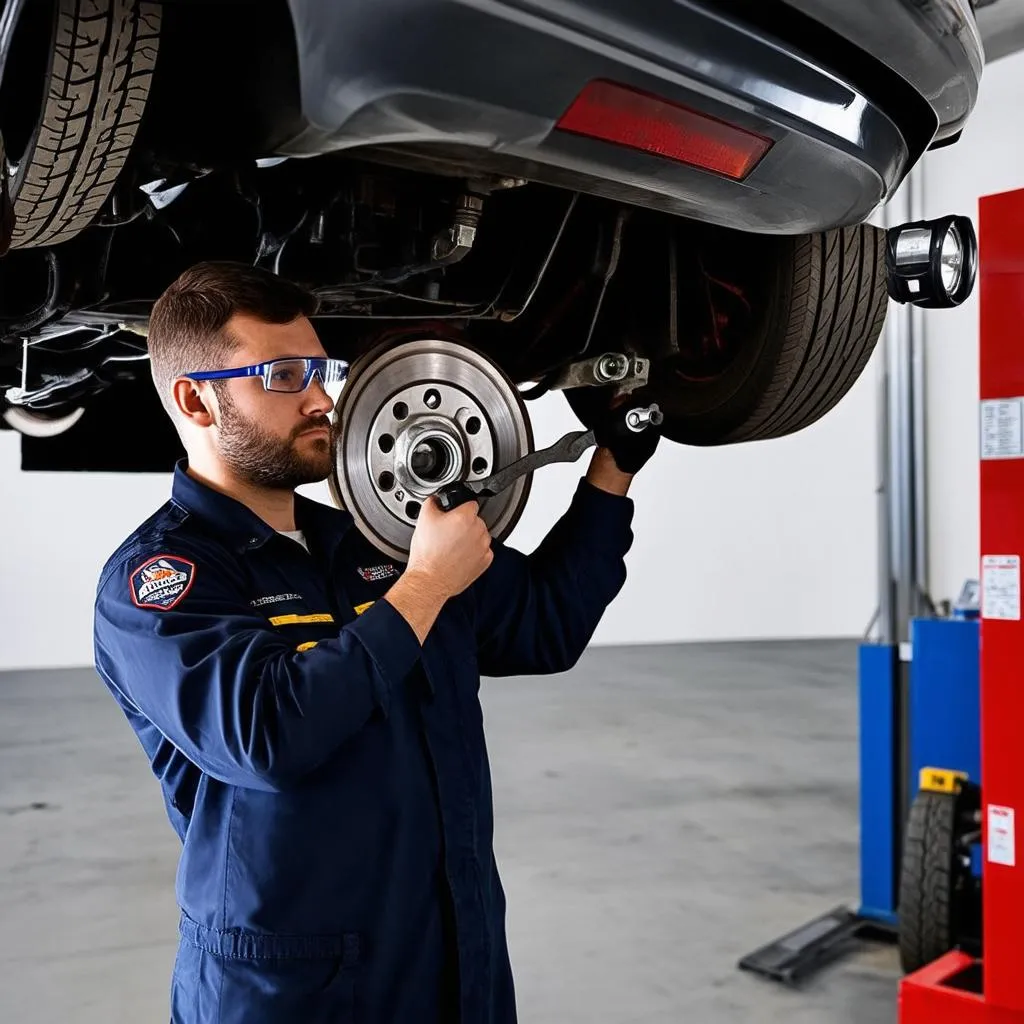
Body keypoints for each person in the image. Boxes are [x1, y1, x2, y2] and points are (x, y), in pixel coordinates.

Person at [93, 261, 660, 1024]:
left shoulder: (372, 538)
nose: (323, 399)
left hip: (453, 964)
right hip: (293, 995)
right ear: (197, 400)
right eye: (285, 375)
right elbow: (268, 736)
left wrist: (612, 471)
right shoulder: (162, 581)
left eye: (321, 370)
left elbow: (543, 625)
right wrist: (423, 585)